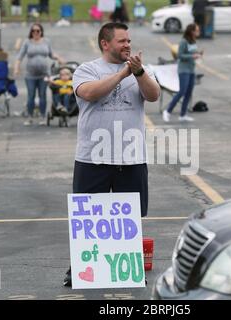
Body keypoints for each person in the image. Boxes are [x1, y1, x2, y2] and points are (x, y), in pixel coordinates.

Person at [62, 22, 160, 287]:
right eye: (121, 41)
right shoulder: (87, 69)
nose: (127, 45)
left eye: (128, 40)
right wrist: (122, 74)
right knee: (89, 219)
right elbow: (90, 94)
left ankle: (123, 268)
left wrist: (138, 73)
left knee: (129, 219)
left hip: (131, 158)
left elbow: (153, 96)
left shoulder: (142, 70)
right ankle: (83, 269)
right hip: (93, 157)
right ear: (105, 44)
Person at [14, 23, 65, 126]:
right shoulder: (27, 43)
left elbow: (51, 54)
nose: (36, 33)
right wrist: (16, 68)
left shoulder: (46, 42)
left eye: (38, 31)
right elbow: (19, 57)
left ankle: (42, 116)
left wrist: (59, 58)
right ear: (31, 32)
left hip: (44, 74)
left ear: (41, 32)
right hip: (30, 75)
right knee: (31, 96)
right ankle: (30, 117)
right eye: (33, 31)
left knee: (42, 95)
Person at [162, 24, 202, 123]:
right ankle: (167, 111)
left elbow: (193, 53)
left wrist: (198, 55)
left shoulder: (193, 41)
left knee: (188, 92)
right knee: (182, 91)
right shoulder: (184, 41)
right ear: (191, 31)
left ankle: (183, 114)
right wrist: (192, 56)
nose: (198, 32)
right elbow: (180, 55)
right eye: (196, 30)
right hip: (184, 70)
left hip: (192, 70)